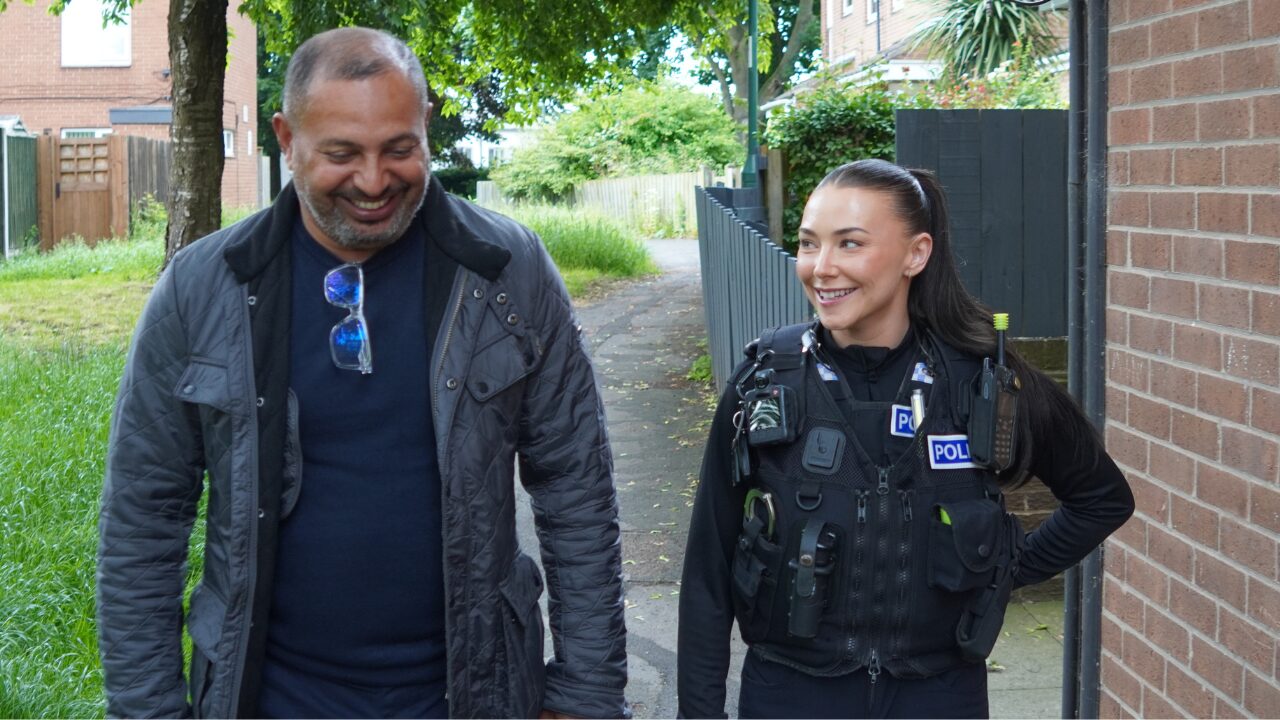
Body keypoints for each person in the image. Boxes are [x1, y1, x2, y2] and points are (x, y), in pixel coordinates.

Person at [97, 27, 628, 719]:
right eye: (342, 154)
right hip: (270, 700)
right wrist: (148, 709)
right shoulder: (204, 287)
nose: (374, 181)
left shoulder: (508, 272)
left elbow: (576, 488)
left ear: (426, 126)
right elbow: (143, 512)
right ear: (286, 138)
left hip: (471, 696)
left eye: (400, 150)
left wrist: (587, 694)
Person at [677, 159, 1134, 719]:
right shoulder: (764, 384)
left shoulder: (981, 385)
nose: (821, 268)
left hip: (939, 696)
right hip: (789, 695)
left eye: (849, 244)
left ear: (916, 254)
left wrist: (1004, 570)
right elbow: (707, 573)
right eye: (808, 244)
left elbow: (1103, 497)